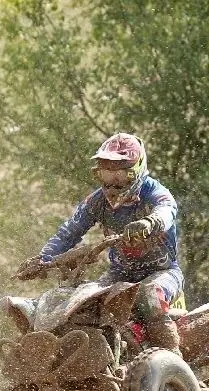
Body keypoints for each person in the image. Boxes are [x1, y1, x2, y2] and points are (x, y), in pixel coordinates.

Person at [26, 132, 183, 353]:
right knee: (84, 300)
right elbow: (69, 232)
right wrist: (44, 259)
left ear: (137, 170)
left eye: (120, 176)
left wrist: (150, 222)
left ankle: (174, 362)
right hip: (119, 274)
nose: (112, 184)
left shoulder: (154, 193)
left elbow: (167, 211)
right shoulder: (96, 201)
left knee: (149, 293)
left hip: (162, 272)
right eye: (105, 175)